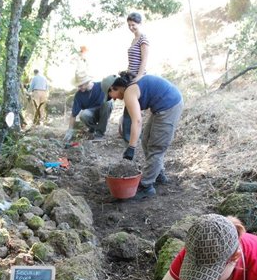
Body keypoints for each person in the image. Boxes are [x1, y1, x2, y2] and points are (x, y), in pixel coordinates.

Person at [106, 72, 182, 200]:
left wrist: (131, 147)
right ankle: (158, 174)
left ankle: (146, 187)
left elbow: (137, 121)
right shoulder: (130, 88)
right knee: (146, 140)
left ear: (114, 87)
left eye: (110, 96)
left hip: (170, 106)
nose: (113, 99)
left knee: (156, 147)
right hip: (161, 107)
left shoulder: (129, 92)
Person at [120, 12, 150, 143]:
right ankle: (129, 135)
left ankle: (133, 137)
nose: (131, 27)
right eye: (129, 25)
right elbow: (133, 60)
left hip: (139, 78)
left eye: (133, 25)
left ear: (140, 24)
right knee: (128, 107)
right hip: (130, 76)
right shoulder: (134, 40)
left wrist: (138, 77)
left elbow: (144, 60)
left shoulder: (143, 39)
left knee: (133, 108)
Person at [64, 72, 114, 142]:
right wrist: (70, 130)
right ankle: (93, 129)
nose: (79, 87)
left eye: (81, 85)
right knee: (83, 114)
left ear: (87, 82)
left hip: (103, 111)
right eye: (78, 86)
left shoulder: (101, 86)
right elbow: (73, 114)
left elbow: (113, 94)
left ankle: (99, 134)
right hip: (91, 114)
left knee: (108, 103)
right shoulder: (78, 95)